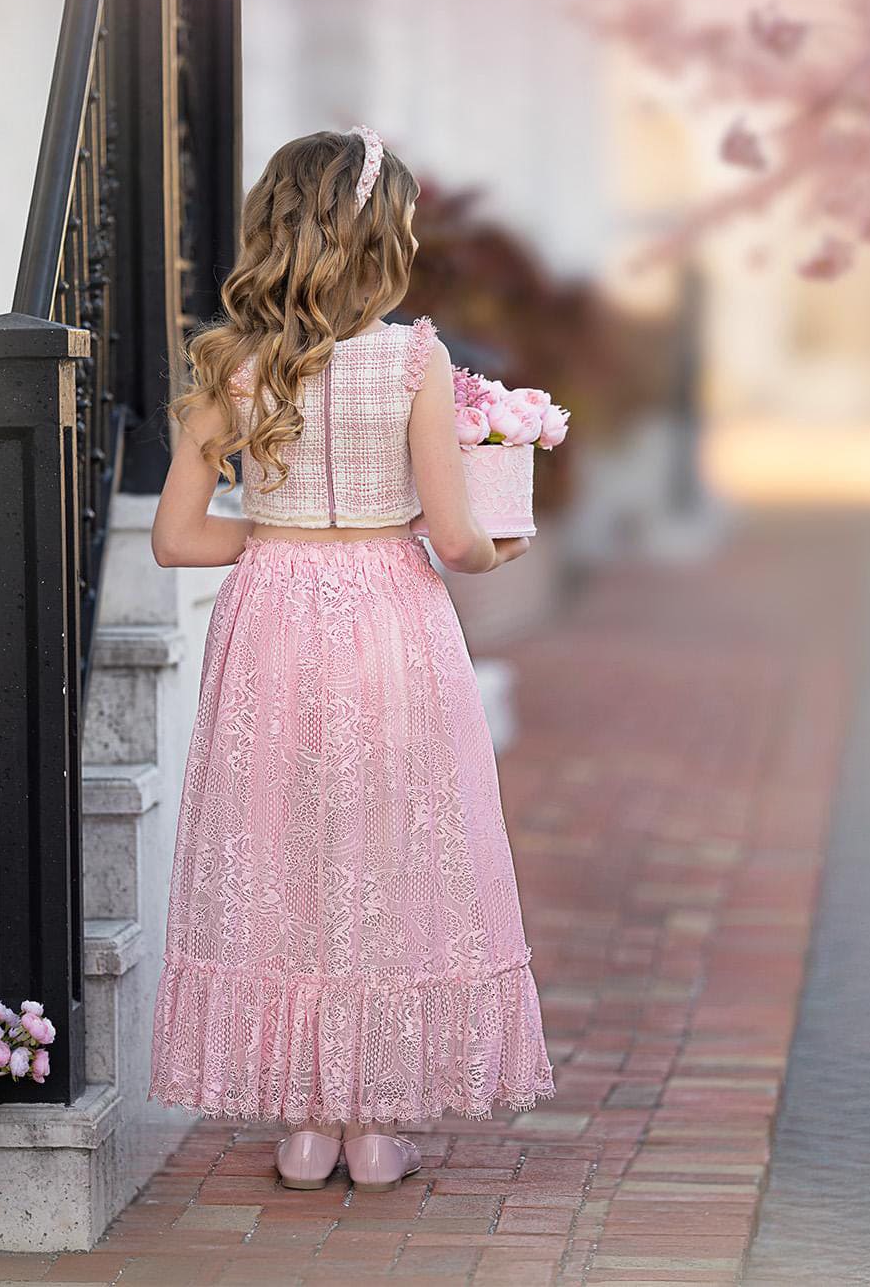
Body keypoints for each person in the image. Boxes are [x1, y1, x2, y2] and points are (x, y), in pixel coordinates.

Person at [146, 125, 554, 1192]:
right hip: (389, 617)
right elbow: (458, 541)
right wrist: (506, 541)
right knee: (389, 851)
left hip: (270, 619)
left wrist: (279, 542)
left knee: (284, 852)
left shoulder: (229, 364)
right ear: (375, 237)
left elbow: (179, 538)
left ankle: (302, 1130)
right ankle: (374, 1132)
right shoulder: (417, 359)